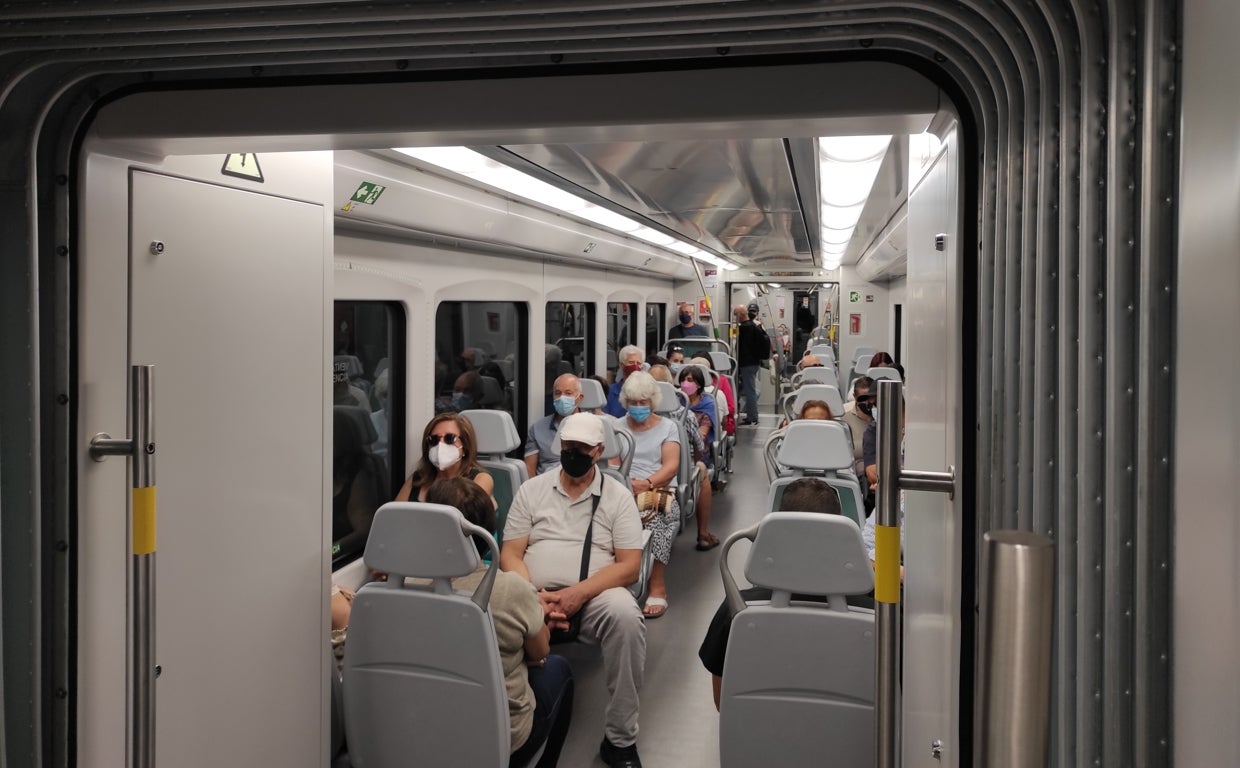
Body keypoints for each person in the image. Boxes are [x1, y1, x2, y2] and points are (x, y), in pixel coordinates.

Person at [500, 413, 647, 768]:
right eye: (568, 447)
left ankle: (620, 738)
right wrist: (531, 596)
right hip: (533, 591)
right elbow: (511, 553)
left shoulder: (617, 496)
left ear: (598, 451)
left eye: (582, 448)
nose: (574, 454)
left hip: (594, 594)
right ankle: (504, 720)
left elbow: (628, 565)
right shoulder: (532, 489)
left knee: (627, 618)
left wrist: (577, 594)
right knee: (497, 604)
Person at [427, 478, 574, 766]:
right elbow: (540, 652)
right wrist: (538, 622)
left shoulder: (399, 584)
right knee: (559, 669)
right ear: (485, 533)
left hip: (420, 730)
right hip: (498, 740)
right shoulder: (509, 589)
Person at [697, 478, 872, 709]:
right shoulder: (878, 616)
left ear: (776, 533)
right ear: (839, 534)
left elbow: (723, 703)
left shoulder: (737, 611)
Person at [611, 371, 680, 619]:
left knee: (658, 517)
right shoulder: (616, 427)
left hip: (658, 488)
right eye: (633, 402)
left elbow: (671, 466)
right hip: (622, 487)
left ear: (652, 402)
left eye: (643, 402)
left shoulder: (668, 428)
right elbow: (613, 464)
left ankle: (657, 585)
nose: (638, 407)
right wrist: (626, 484)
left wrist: (646, 484)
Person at [395, 413, 496, 505]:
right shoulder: (418, 478)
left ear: (465, 446)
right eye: (433, 440)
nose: (440, 445)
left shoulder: (481, 479)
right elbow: (394, 515)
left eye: (450, 438)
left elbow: (461, 514)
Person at [678, 366, 720, 551]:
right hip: (676, 451)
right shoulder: (674, 403)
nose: (687, 384)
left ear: (700, 384)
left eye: (692, 380)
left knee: (701, 467)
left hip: (698, 453)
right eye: (684, 379)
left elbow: (702, 437)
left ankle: (702, 533)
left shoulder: (707, 404)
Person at [525, 373, 584, 477]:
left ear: (580, 398)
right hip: (545, 486)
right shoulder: (537, 428)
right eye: (558, 393)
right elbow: (529, 470)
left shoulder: (591, 426)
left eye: (568, 393)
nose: (562, 397)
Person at [734, 304, 771, 425]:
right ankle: (751, 414)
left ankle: (752, 417)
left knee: (750, 390)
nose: (735, 317)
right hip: (753, 362)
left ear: (741, 315)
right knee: (749, 389)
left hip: (747, 364)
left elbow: (743, 348)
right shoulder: (754, 326)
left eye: (736, 315)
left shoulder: (745, 329)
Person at [842, 376, 875, 473]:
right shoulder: (844, 416)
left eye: (870, 397)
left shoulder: (886, 414)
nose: (867, 402)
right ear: (855, 396)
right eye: (862, 398)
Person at [604, 345, 644, 418]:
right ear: (621, 365)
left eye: (638, 363)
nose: (635, 366)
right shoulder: (610, 391)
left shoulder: (647, 391)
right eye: (631, 362)